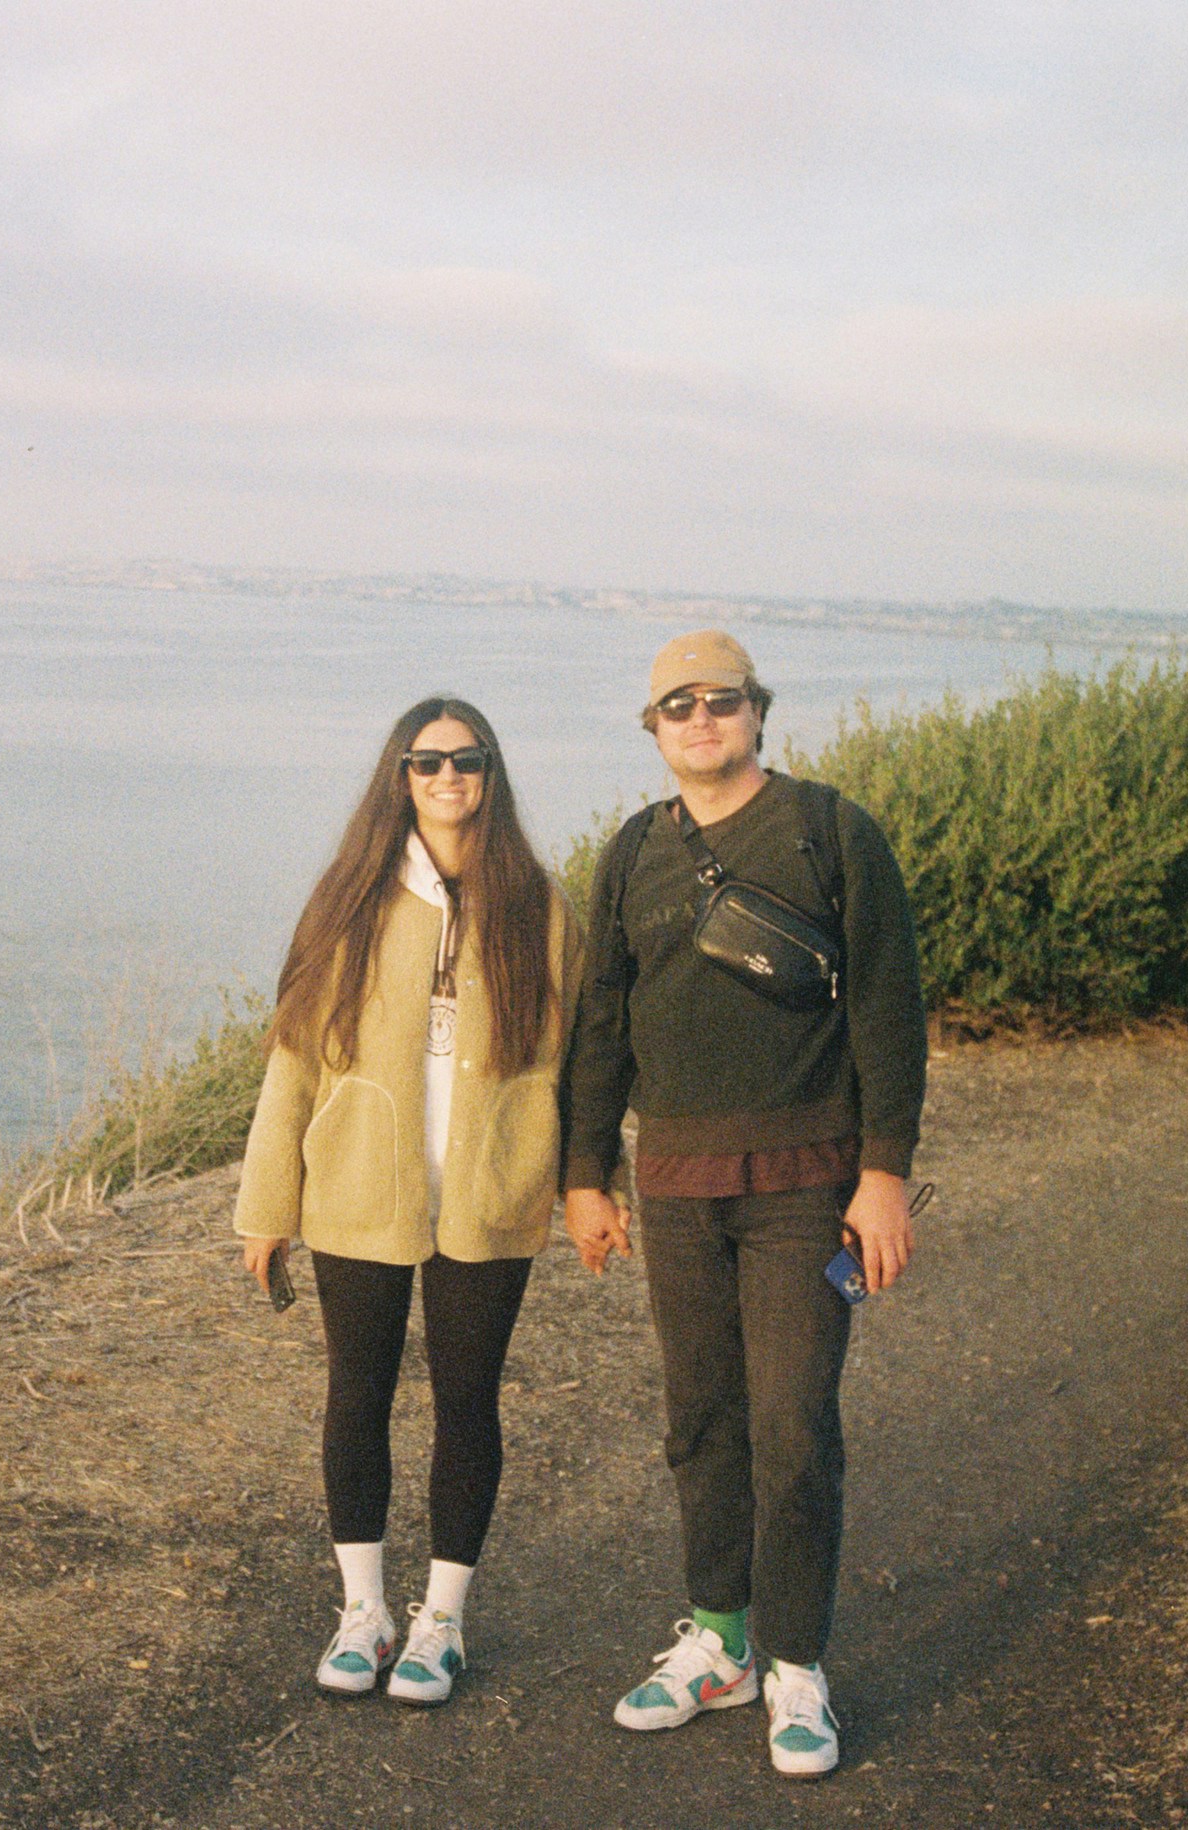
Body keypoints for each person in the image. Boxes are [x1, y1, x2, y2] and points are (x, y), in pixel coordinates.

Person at [560, 631, 927, 1779]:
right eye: (678, 705)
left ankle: (797, 1663)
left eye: (721, 700)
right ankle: (716, 1643)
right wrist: (583, 1175)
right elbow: (601, 1023)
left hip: (803, 1184)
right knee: (701, 1423)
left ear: (757, 714)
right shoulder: (630, 854)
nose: (700, 718)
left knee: (792, 1428)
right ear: (653, 729)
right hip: (672, 1187)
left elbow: (886, 1009)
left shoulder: (830, 831)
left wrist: (883, 1176)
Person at [235, 696, 580, 1707]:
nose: (447, 777)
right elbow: (292, 1061)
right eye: (426, 762)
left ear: (491, 774)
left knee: (468, 1402)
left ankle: (441, 1621)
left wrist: (577, 1183)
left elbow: (575, 1064)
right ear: (399, 776)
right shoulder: (345, 900)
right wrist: (267, 1207)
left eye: (467, 760)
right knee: (358, 1394)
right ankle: (363, 1611)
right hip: (356, 1194)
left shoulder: (541, 909)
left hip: (488, 1196)